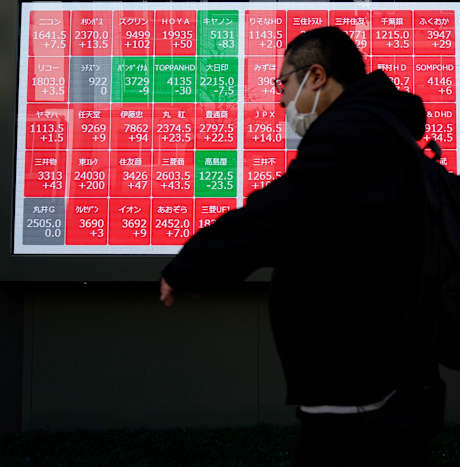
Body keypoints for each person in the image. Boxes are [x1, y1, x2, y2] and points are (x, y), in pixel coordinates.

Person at [160, 27, 445, 466]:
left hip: (354, 374)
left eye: (284, 83)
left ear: (316, 76)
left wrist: (188, 268)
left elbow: (275, 217)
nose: (281, 100)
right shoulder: (381, 128)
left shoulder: (350, 135)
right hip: (391, 368)